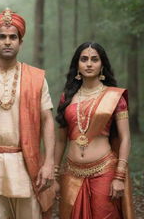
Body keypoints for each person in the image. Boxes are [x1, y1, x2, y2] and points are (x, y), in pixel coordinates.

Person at [0, 8, 55, 219]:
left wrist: (49, 163)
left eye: (13, 37)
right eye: (2, 37)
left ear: (20, 42)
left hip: (27, 162)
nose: (7, 42)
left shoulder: (36, 78)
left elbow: (47, 121)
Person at [55, 42, 134, 219]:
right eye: (84, 59)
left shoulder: (114, 97)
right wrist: (54, 175)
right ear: (77, 65)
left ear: (102, 65)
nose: (89, 64)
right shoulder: (66, 98)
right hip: (71, 173)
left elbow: (126, 138)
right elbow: (60, 140)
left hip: (105, 171)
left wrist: (119, 176)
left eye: (94, 59)